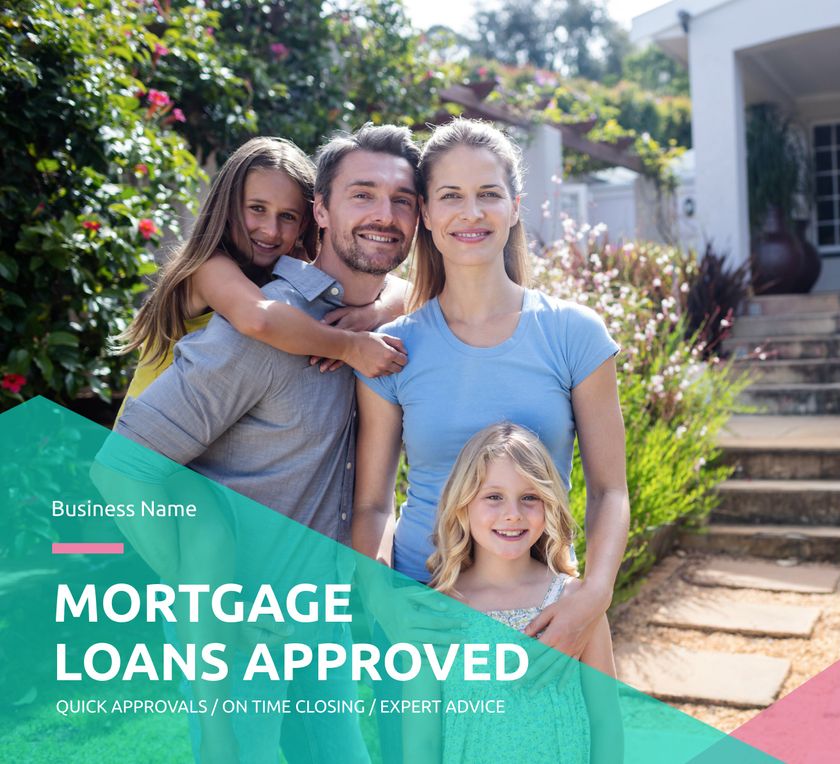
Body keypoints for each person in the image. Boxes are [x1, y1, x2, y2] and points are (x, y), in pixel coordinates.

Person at [94, 124, 422, 763]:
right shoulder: (259, 331)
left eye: (402, 199)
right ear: (322, 212)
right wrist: (203, 601)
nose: (384, 215)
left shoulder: (391, 324)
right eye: (362, 195)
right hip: (242, 635)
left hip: (319, 623)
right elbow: (120, 472)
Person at [353, 119, 630, 663]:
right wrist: (384, 600)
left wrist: (593, 595)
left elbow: (610, 492)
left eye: (488, 195)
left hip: (545, 612)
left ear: (515, 206)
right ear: (426, 214)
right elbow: (371, 505)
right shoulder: (392, 349)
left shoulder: (574, 334)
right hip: (424, 612)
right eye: (451, 196)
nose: (471, 213)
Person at [114, 135, 408, 422]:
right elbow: (258, 319)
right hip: (145, 454)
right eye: (257, 209)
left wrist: (375, 311)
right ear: (228, 208)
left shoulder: (286, 270)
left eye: (288, 216)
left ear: (308, 220)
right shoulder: (207, 268)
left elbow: (405, 290)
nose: (271, 230)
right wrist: (350, 346)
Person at [406, 422, 620, 763]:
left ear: (548, 504)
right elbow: (422, 743)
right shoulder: (435, 614)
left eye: (529, 497)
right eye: (493, 496)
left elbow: (606, 723)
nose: (512, 514)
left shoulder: (576, 604)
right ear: (462, 504)